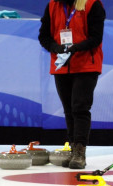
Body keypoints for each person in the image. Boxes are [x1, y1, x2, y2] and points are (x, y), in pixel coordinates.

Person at [38, 0, 106, 169]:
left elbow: (96, 38)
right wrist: (55, 47)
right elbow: (43, 35)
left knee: (80, 108)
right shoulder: (53, 5)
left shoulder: (92, 4)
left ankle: (80, 152)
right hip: (61, 66)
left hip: (86, 65)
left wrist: (75, 48)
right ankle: (72, 147)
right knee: (69, 109)